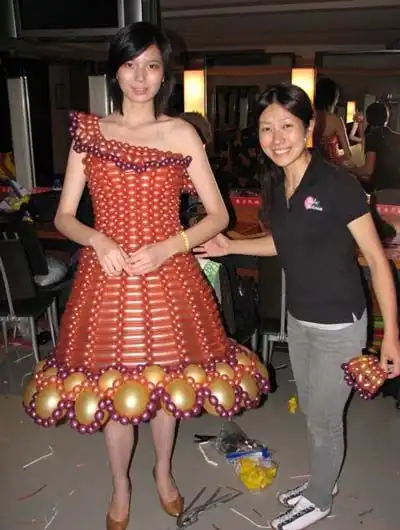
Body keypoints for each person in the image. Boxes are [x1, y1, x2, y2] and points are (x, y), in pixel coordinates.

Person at [22, 22, 268, 530]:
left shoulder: (181, 133)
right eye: (131, 65)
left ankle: (162, 471)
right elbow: (65, 216)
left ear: (164, 74)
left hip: (168, 273)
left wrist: (168, 246)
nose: (140, 77)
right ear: (115, 71)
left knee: (166, 385)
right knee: (114, 391)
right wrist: (98, 240)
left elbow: (218, 215)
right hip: (106, 277)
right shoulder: (90, 133)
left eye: (152, 66)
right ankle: (121, 484)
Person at [195, 83, 400, 530]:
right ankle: (323, 480)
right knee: (310, 408)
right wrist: (230, 244)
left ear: (308, 129)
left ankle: (320, 499)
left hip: (339, 326)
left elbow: (378, 261)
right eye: (266, 128)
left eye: (287, 126)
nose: (277, 138)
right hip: (300, 320)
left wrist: (392, 337)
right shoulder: (276, 184)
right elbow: (282, 242)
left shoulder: (338, 185)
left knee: (326, 420)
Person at [352, 102, 400, 192]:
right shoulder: (398, 137)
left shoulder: (371, 137)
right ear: (387, 118)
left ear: (368, 119)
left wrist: (351, 170)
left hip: (380, 190)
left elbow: (368, 170)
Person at [313, 77, 353, 166]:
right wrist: (335, 159)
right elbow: (348, 154)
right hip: (331, 167)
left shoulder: (308, 117)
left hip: (310, 166)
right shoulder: (336, 120)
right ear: (333, 99)